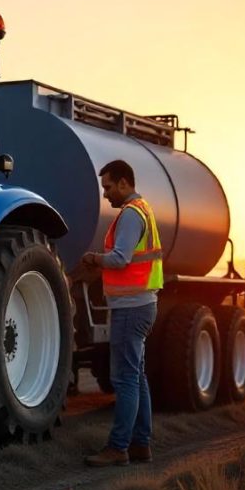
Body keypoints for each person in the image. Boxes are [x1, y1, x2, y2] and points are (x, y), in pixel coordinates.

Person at [81, 159, 163, 466]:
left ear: (124, 183)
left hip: (131, 309)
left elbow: (120, 259)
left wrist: (93, 258)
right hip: (142, 304)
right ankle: (141, 444)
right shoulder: (144, 209)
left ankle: (118, 448)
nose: (106, 194)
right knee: (137, 377)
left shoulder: (130, 215)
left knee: (125, 379)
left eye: (108, 187)